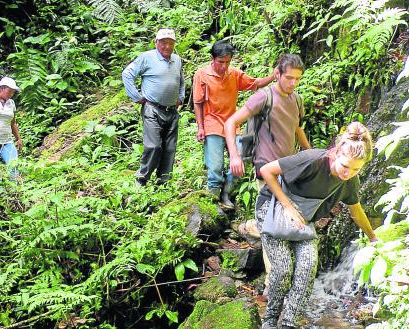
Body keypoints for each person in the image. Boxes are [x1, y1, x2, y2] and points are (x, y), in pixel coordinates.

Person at [256, 122, 378, 329]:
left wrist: (373, 237)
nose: (347, 173)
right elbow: (267, 171)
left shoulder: (349, 181)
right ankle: (270, 319)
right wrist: (287, 205)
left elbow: (356, 210)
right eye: (345, 166)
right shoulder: (311, 160)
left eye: (355, 170)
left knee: (307, 269)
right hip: (272, 211)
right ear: (335, 153)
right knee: (282, 269)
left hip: (303, 223)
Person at [222, 54, 310, 294]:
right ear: (277, 74)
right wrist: (234, 155)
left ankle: (251, 225)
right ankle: (273, 285)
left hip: (288, 169)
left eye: (297, 79)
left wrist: (310, 157)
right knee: (273, 227)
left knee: (280, 219)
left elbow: (297, 129)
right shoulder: (264, 96)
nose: (293, 83)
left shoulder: (297, 99)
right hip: (265, 167)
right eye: (289, 78)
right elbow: (231, 123)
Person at [193, 40, 277, 209]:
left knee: (241, 157)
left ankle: (226, 193)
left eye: (227, 62)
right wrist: (200, 127)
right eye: (220, 62)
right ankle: (212, 201)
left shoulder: (234, 74)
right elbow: (198, 102)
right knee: (215, 166)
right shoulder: (202, 75)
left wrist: (274, 76)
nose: (224, 66)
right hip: (212, 123)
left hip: (233, 123)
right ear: (213, 59)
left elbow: (255, 84)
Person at [122, 28, 185, 186]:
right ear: (156, 43)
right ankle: (141, 179)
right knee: (153, 146)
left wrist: (181, 97)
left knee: (169, 148)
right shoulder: (147, 57)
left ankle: (163, 182)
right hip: (152, 108)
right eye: (163, 43)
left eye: (170, 43)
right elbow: (127, 74)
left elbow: (181, 80)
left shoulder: (177, 60)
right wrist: (136, 97)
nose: (167, 46)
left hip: (171, 110)